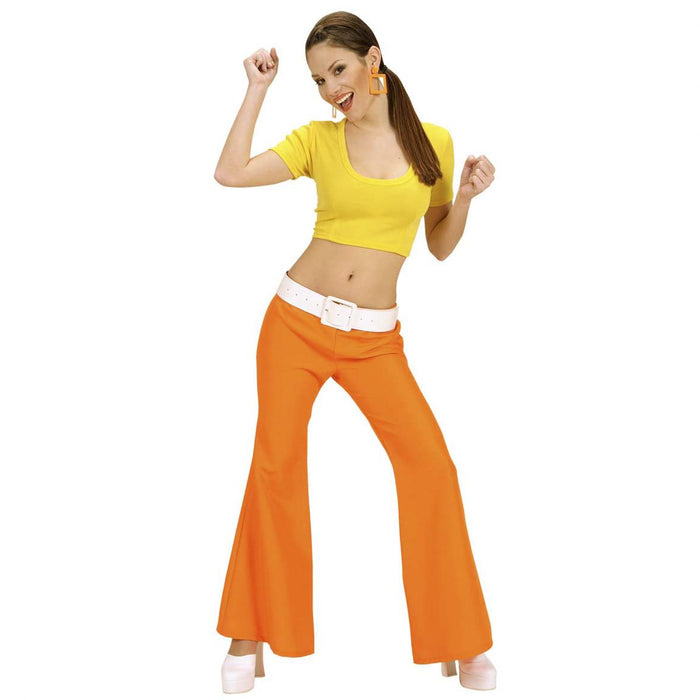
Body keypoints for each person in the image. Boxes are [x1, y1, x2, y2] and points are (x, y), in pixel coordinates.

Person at [213, 11, 496, 694]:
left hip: (375, 342)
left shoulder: (434, 142)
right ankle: (249, 635)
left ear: (374, 59)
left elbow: (438, 245)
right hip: (295, 324)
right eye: (317, 80)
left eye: (337, 70)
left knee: (432, 468)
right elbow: (230, 173)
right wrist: (257, 88)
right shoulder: (318, 140)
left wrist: (464, 198)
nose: (329, 89)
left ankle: (459, 640)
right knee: (276, 468)